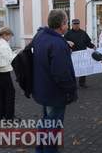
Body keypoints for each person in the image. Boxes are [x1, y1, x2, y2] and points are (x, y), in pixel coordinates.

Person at [32, 9, 77, 153]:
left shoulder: (40, 36)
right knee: (53, 128)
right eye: (67, 23)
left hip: (43, 89)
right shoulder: (57, 44)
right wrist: (70, 90)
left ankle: (40, 149)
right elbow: (61, 74)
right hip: (55, 93)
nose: (68, 26)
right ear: (62, 24)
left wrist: (64, 43)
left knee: (46, 122)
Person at [64, 19, 96, 88]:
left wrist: (93, 46)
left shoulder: (83, 33)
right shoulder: (68, 33)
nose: (76, 25)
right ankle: (72, 83)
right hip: (73, 54)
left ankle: (82, 83)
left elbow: (88, 42)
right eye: (74, 24)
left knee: (83, 69)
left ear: (79, 24)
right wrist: (68, 49)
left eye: (77, 24)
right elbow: (64, 43)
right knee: (72, 70)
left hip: (82, 54)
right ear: (72, 25)